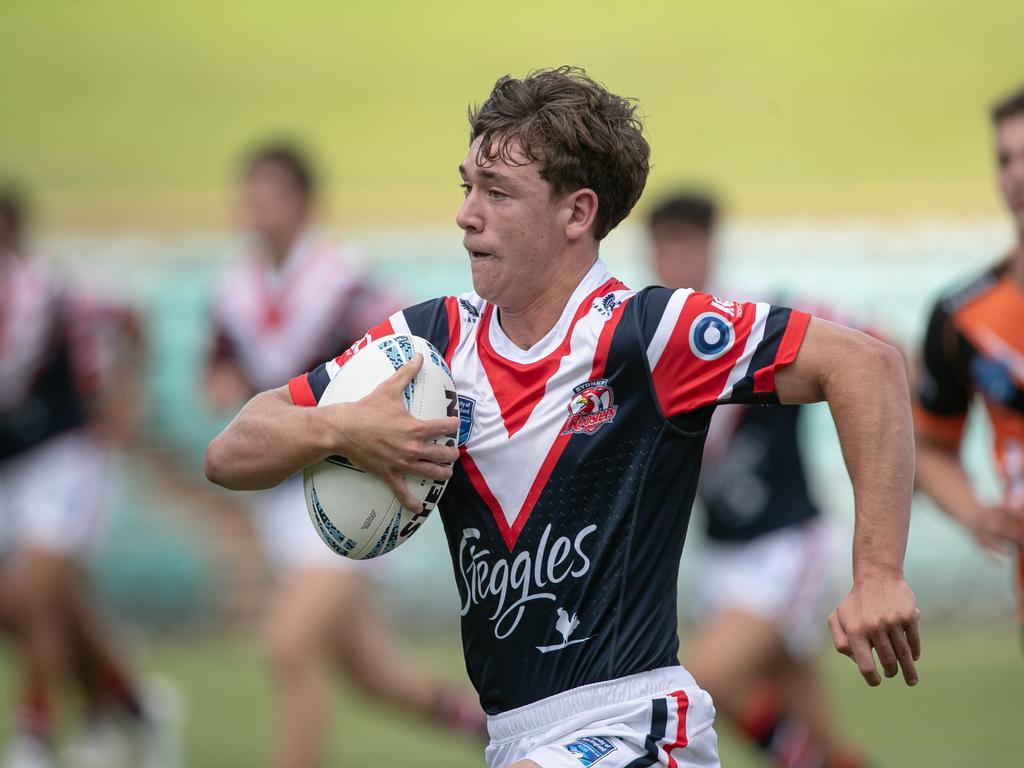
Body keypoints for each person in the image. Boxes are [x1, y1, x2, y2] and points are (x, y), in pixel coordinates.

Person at [206, 68, 921, 768]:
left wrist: (879, 572)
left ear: (577, 214)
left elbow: (868, 366)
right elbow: (232, 450)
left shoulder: (650, 333)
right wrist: (339, 428)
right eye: (466, 187)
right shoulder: (428, 347)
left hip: (635, 728)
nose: (466, 214)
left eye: (496, 193)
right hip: (514, 735)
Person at [205, 142, 484, 768]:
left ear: (301, 202)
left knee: (288, 644)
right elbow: (221, 366)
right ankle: (494, 729)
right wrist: (222, 383)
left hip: (352, 491)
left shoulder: (347, 280)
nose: (252, 207)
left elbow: (404, 363)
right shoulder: (237, 287)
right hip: (280, 497)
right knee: (373, 676)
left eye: (266, 194)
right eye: (247, 193)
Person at [648, 192, 868, 768]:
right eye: (661, 245)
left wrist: (912, 413)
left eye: (683, 243)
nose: (672, 259)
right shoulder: (649, 343)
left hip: (786, 547)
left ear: (708, 247)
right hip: (722, 557)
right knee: (818, 732)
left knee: (701, 679)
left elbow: (867, 348)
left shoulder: (759, 320)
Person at [0, 183, 179, 768]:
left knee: (37, 591)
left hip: (66, 456)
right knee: (36, 604)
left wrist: (124, 403)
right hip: (14, 467)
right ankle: (129, 704)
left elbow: (128, 317)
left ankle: (35, 734)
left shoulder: (49, 290)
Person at [913, 84, 1024, 638]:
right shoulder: (963, 318)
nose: (1018, 175)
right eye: (1006, 158)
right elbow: (929, 447)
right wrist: (977, 513)